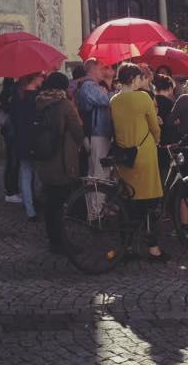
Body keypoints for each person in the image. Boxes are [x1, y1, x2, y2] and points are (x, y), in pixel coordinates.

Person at [110, 63, 167, 261]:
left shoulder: (114, 101)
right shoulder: (143, 97)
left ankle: (128, 248)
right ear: (134, 79)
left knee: (128, 203)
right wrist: (158, 139)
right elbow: (154, 126)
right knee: (150, 203)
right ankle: (153, 248)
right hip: (144, 154)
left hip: (124, 157)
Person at [34, 72, 86, 254]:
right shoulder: (64, 105)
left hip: (44, 159)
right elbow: (78, 132)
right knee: (60, 203)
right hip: (63, 159)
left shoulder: (38, 102)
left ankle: (53, 239)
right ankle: (60, 242)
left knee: (51, 202)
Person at [10, 72, 45, 222]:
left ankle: (29, 207)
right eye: (41, 76)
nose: (43, 78)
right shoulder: (37, 98)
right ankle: (35, 205)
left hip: (21, 138)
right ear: (34, 78)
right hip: (35, 140)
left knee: (26, 173)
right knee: (39, 173)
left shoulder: (18, 95)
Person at [76, 58, 114, 190]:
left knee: (101, 173)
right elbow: (105, 100)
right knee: (98, 175)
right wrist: (121, 92)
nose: (103, 71)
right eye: (102, 67)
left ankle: (99, 207)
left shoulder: (94, 86)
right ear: (93, 69)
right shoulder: (88, 86)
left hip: (99, 134)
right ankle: (96, 209)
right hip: (96, 134)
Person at [154, 73, 177, 178]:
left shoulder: (152, 100)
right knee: (166, 168)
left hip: (155, 137)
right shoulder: (170, 103)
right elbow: (174, 121)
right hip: (167, 137)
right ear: (169, 88)